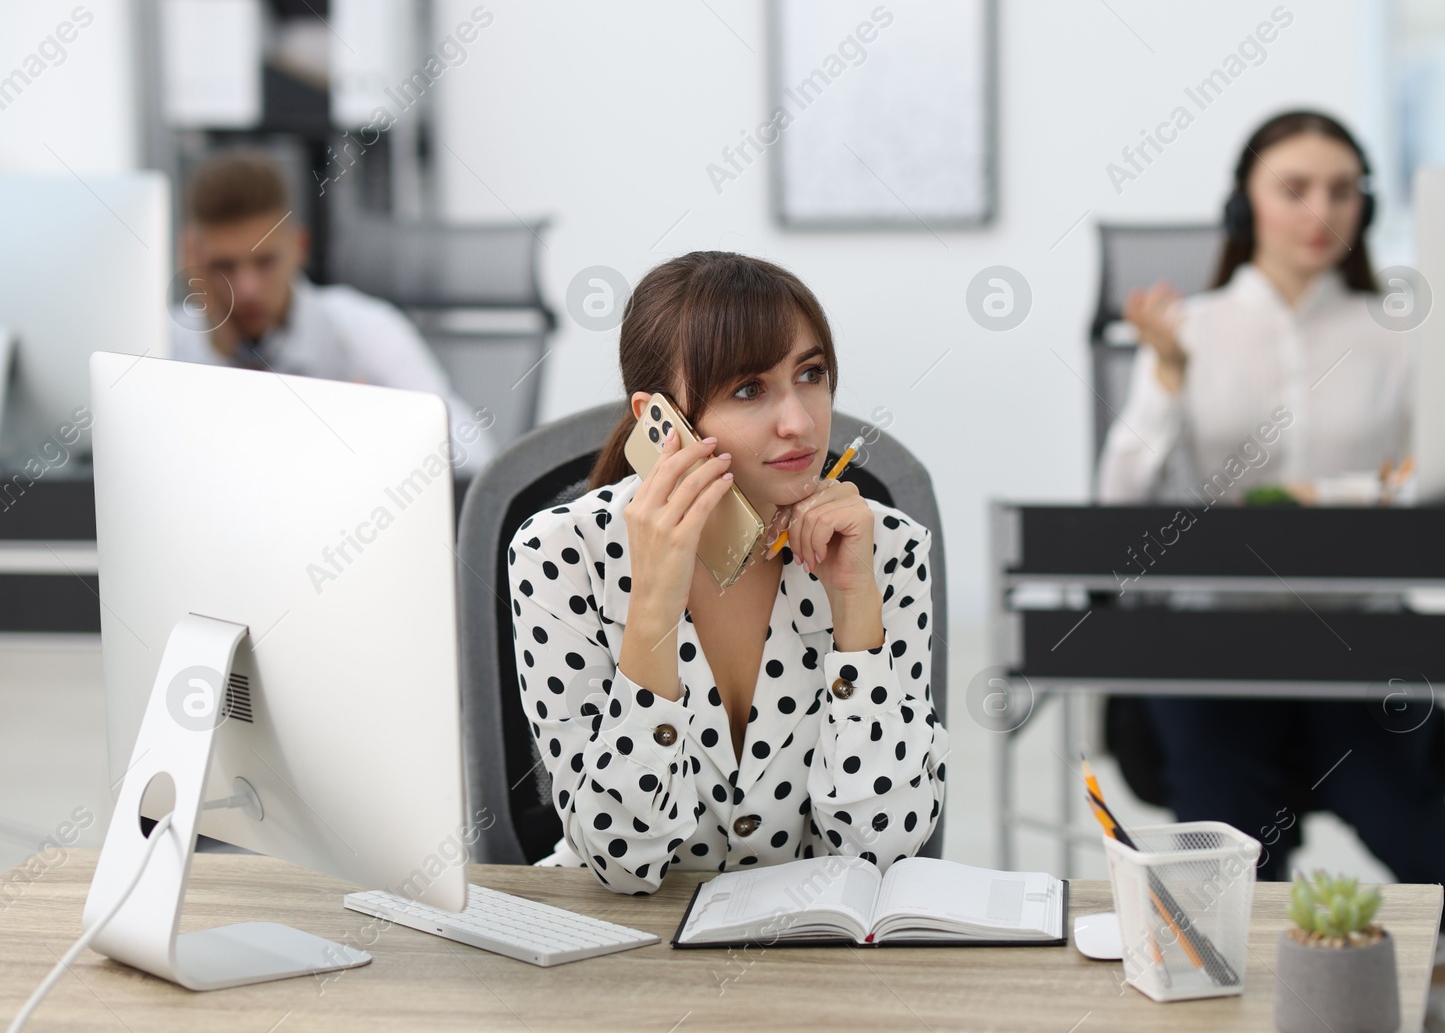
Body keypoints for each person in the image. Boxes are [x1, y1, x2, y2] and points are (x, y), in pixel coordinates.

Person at [1096, 111, 1445, 941]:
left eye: (1343, 192)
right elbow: (1120, 499)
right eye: (1294, 189)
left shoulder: (1399, 336)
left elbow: (1434, 482)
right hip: (1217, 643)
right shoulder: (1185, 328)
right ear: (1245, 207)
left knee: (1410, 827)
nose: (1321, 212)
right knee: (1228, 870)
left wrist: (1323, 496)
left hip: (1360, 637)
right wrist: (1164, 375)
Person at [508, 251, 948, 894]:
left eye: (811, 374)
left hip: (809, 947)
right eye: (749, 390)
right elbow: (623, 863)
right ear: (661, 423)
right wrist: (654, 600)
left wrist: (855, 603)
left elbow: (882, 845)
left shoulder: (886, 550)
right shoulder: (559, 555)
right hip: (618, 948)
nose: (799, 420)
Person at [169, 150, 496, 474]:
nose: (247, 288)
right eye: (223, 266)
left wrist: (387, 428)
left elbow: (475, 454)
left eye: (265, 262)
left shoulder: (363, 329)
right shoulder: (166, 345)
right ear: (193, 259)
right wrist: (218, 347)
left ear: (299, 246)